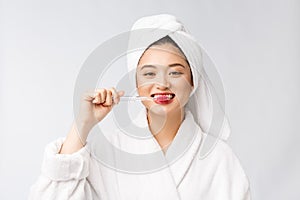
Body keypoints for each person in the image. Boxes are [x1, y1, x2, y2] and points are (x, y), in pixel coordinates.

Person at [29, 14, 251, 200]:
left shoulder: (219, 159)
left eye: (175, 72)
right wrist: (82, 125)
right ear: (136, 83)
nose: (162, 83)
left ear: (193, 82)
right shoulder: (107, 152)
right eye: (149, 73)